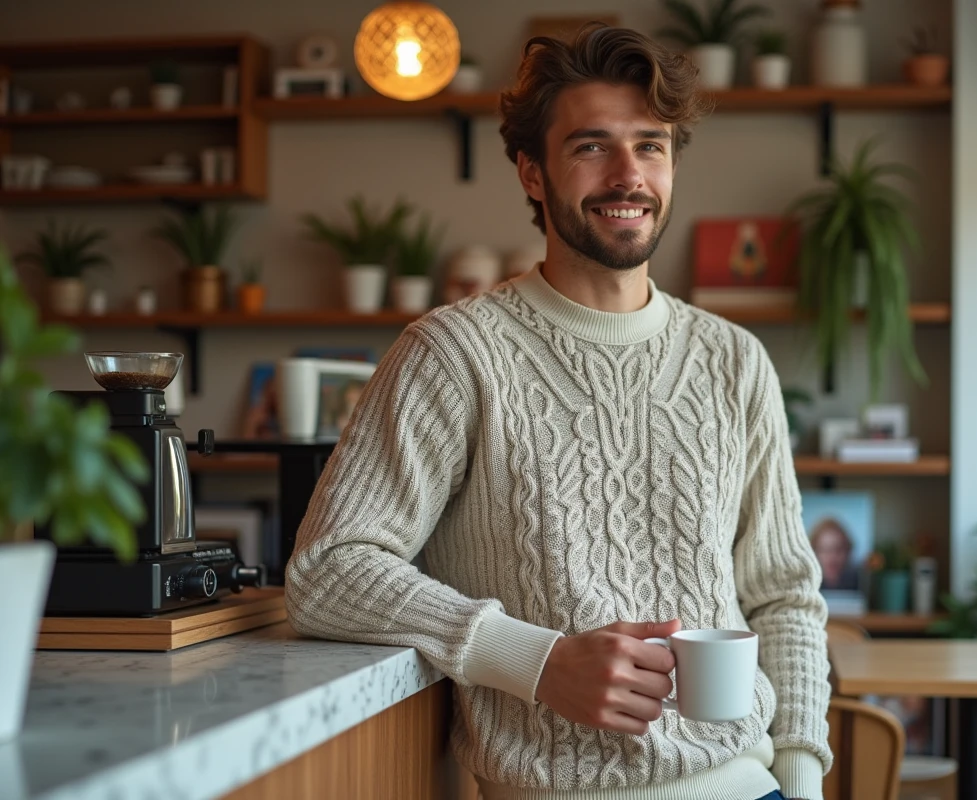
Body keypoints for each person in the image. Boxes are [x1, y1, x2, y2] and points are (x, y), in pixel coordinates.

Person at [285, 23, 831, 800]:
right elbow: (328, 571)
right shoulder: (454, 354)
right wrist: (535, 661)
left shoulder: (734, 359)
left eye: (651, 145)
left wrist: (802, 781)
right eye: (590, 147)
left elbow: (782, 594)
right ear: (532, 173)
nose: (627, 174)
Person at [809, 518, 860, 591]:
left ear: (848, 552)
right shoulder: (804, 588)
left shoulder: (862, 584)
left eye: (838, 550)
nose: (832, 557)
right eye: (825, 550)